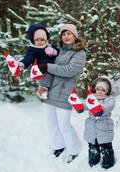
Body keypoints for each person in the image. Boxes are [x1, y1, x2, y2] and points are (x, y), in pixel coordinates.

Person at [37, 24, 86, 163]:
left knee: (65, 126)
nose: (66, 36)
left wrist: (47, 66)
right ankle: (58, 146)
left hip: (64, 93)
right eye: (63, 34)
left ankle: (74, 150)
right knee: (51, 123)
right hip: (49, 91)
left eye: (69, 33)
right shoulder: (58, 50)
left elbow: (69, 70)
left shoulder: (80, 52)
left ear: (74, 35)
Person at [18, 23, 59, 100]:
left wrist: (54, 52)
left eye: (42, 39)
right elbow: (28, 57)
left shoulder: (49, 46)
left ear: (46, 39)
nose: (39, 42)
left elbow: (59, 52)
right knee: (48, 75)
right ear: (33, 40)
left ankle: (55, 92)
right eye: (37, 40)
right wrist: (23, 63)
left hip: (53, 66)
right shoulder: (33, 49)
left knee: (56, 77)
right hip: (41, 67)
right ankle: (42, 90)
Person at [83, 77, 116, 169]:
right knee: (93, 146)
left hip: (104, 127)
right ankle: (93, 161)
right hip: (92, 127)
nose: (100, 91)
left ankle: (108, 163)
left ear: (107, 91)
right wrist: (79, 105)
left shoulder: (109, 99)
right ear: (95, 89)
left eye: (103, 90)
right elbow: (85, 104)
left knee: (106, 147)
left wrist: (99, 109)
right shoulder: (91, 98)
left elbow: (108, 107)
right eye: (98, 89)